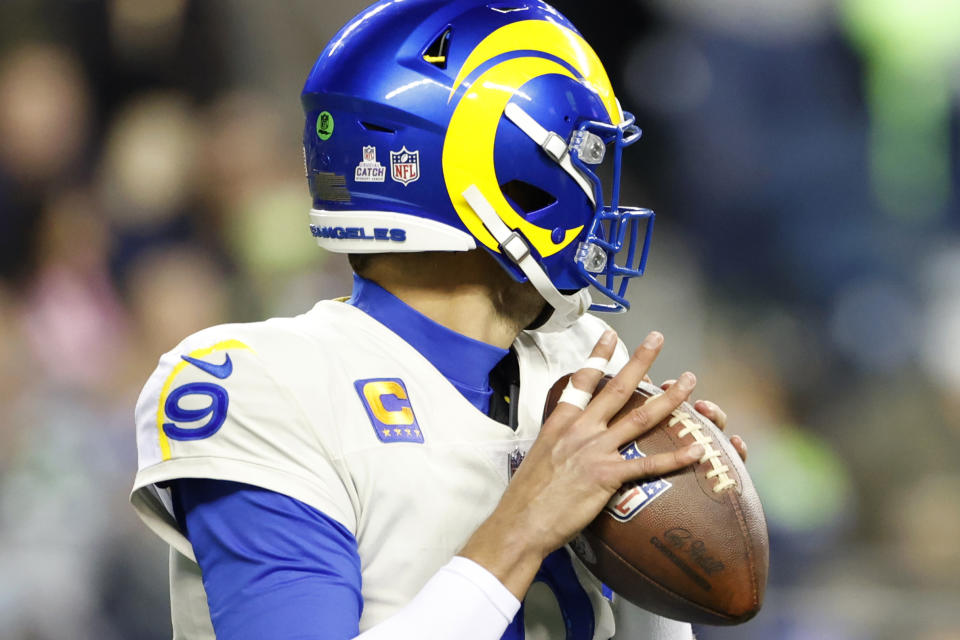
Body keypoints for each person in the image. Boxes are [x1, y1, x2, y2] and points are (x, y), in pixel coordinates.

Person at [130, 1, 746, 638]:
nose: (602, 197)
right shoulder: (267, 388)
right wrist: (526, 523)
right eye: (585, 160)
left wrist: (666, 535)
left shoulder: (585, 362)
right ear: (510, 179)